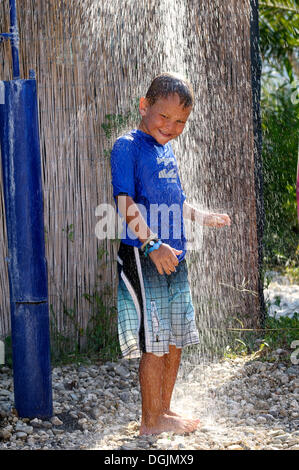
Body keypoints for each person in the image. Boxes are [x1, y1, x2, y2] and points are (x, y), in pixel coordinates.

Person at [110, 72, 231, 435]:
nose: (171, 126)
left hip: (173, 256)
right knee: (155, 342)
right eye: (164, 116)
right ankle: (150, 420)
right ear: (144, 106)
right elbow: (124, 202)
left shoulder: (166, 150)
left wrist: (203, 216)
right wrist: (151, 245)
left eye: (180, 121)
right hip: (144, 255)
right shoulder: (127, 146)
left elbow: (177, 203)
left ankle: (164, 409)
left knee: (176, 338)